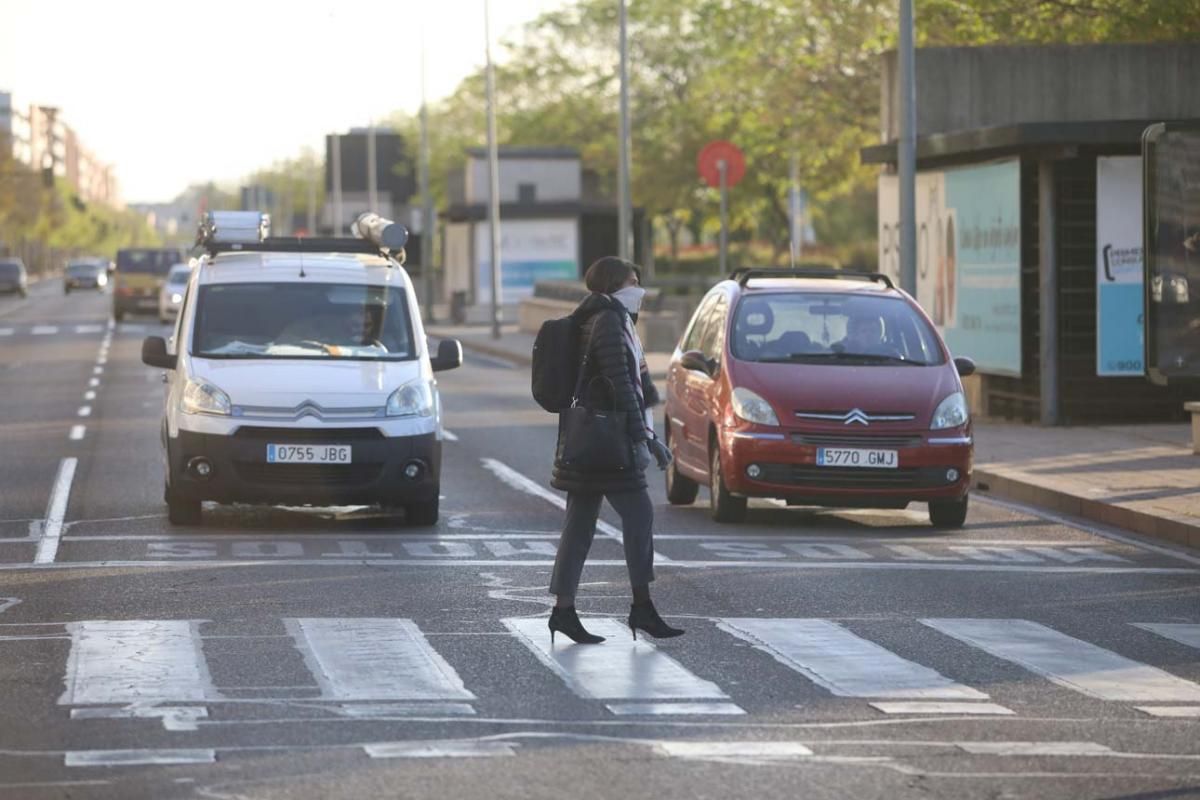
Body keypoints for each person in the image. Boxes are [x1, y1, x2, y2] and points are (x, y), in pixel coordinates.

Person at [547, 256, 680, 645]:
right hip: (610, 443)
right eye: (633, 282)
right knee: (639, 518)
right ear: (613, 286)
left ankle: (563, 612)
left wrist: (651, 417)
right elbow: (622, 386)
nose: (640, 289)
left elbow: (636, 381)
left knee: (579, 528)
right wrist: (644, 438)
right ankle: (641, 607)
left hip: (590, 442)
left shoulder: (606, 318)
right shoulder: (609, 321)